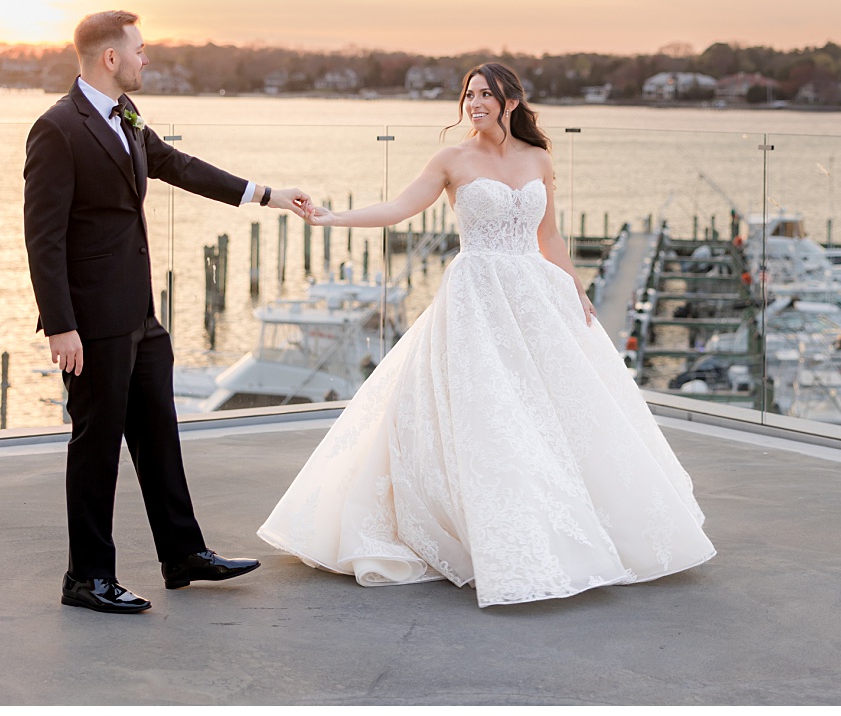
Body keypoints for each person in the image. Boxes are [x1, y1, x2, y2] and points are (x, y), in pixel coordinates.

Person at [259, 63, 715, 607]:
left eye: (485, 94)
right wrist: (332, 218)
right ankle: (491, 531)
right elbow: (401, 208)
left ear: (511, 101)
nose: (474, 103)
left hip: (536, 296)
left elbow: (550, 236)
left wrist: (576, 286)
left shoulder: (540, 158)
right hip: (476, 297)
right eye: (468, 94)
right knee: (488, 413)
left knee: (552, 409)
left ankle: (572, 524)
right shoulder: (452, 159)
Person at [24, 9, 310, 614]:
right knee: (96, 447)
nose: (145, 58)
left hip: (139, 315)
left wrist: (267, 195)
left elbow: (179, 167)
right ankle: (87, 577)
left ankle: (182, 554)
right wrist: (61, 325)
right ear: (110, 57)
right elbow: (42, 237)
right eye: (140, 49)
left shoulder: (125, 117)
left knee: (159, 435)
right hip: (93, 322)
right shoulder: (57, 129)